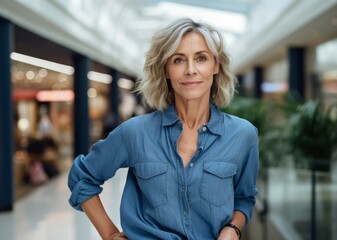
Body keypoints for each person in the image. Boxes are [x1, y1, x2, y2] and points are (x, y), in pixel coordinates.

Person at [68, 17, 259, 240]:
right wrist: (109, 234)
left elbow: (244, 197)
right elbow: (82, 177)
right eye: (178, 60)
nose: (190, 70)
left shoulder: (243, 134)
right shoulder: (135, 132)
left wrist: (233, 228)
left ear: (216, 65)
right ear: (166, 69)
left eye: (201, 58)